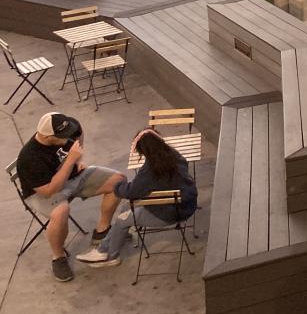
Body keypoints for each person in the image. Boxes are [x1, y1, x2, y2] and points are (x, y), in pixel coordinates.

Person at [15, 113, 125, 282]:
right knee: (61, 212)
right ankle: (58, 257)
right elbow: (49, 190)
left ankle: (102, 231)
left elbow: (79, 132)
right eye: (62, 136)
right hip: (43, 192)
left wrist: (77, 159)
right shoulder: (29, 158)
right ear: (46, 136)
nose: (68, 138)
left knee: (118, 181)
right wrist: (70, 160)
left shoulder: (66, 127)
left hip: (72, 176)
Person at [75, 128, 197, 268]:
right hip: (186, 204)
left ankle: (109, 255)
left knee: (122, 219)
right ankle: (113, 240)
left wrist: (117, 186)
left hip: (169, 212)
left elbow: (132, 191)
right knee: (127, 207)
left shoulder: (151, 170)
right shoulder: (175, 156)